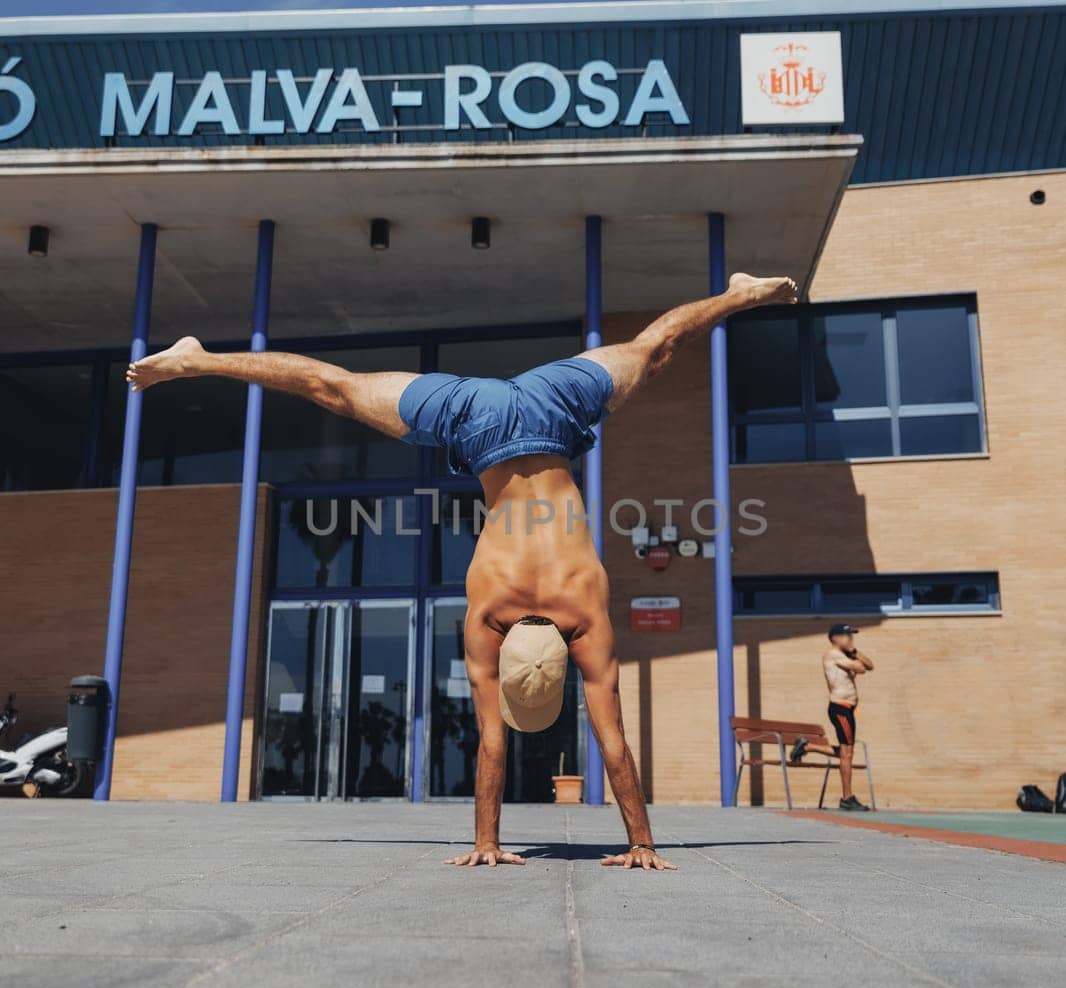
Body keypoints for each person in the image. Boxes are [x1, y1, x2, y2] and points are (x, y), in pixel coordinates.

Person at [128, 271, 797, 867]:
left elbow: (598, 746)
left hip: (551, 409)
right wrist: (491, 841)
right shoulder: (490, 613)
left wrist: (635, 843)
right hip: (477, 422)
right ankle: (201, 361)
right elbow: (496, 744)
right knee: (333, 388)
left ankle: (738, 295)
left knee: (653, 352)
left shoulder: (583, 610)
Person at [789, 624, 874, 811]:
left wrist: (854, 651)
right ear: (835, 638)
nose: (850, 640)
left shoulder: (845, 655)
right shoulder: (832, 654)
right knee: (847, 754)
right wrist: (854, 656)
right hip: (840, 708)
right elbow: (861, 668)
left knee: (847, 754)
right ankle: (847, 798)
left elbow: (870, 665)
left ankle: (807, 746)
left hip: (848, 710)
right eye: (847, 636)